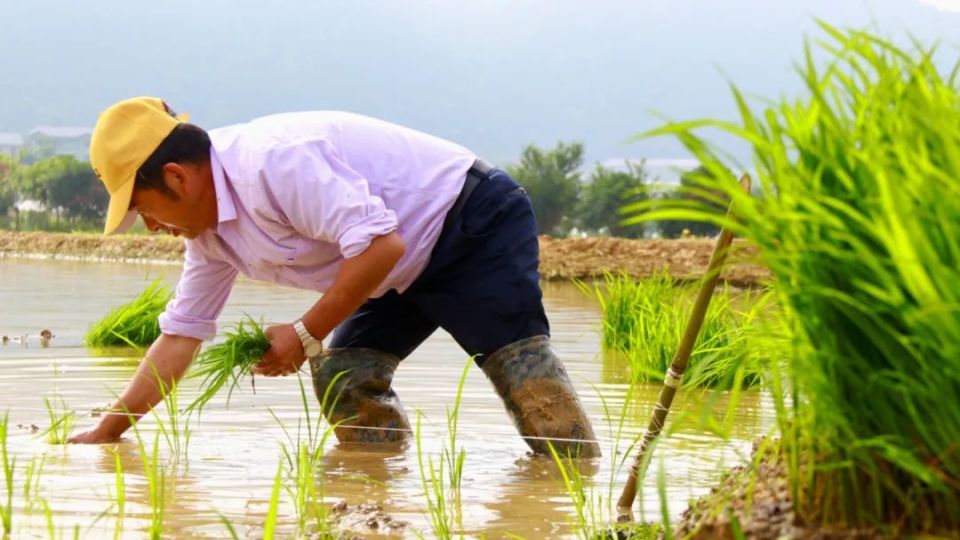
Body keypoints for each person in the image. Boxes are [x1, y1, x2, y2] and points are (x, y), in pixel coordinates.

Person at [68, 96, 599, 457]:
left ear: (176, 178)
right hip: (387, 266)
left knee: (528, 384)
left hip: (468, 221)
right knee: (345, 376)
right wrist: (107, 432)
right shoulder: (208, 235)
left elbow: (380, 243)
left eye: (146, 211)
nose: (155, 228)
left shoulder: (271, 164)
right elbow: (182, 334)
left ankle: (575, 496)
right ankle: (376, 491)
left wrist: (303, 333)